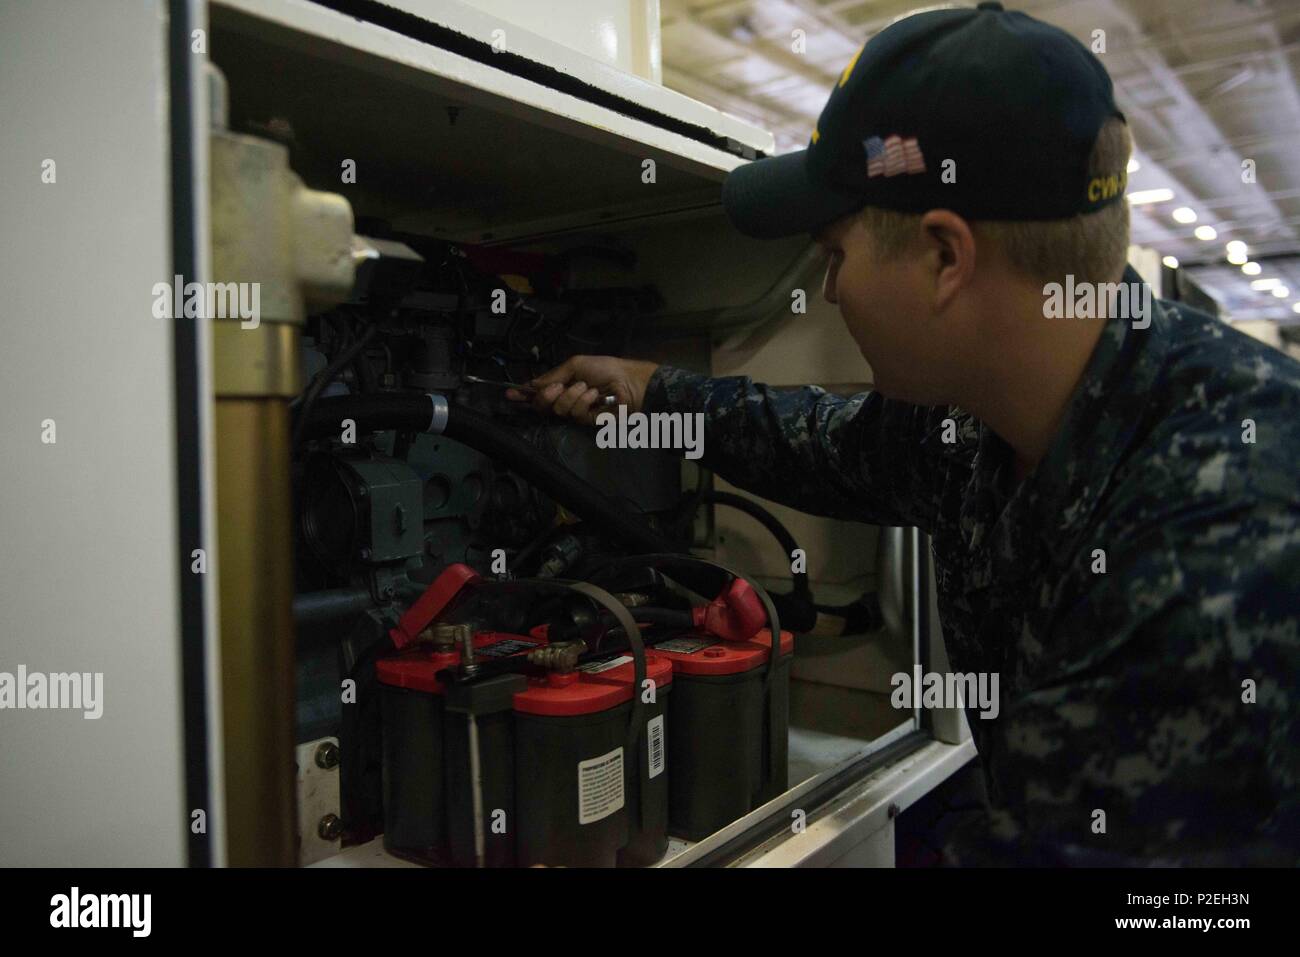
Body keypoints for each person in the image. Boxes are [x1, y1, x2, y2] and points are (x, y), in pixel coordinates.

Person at [509, 2, 1300, 864]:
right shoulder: (991, 412)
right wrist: (651, 389)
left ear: (944, 258)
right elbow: (824, 444)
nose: (833, 291)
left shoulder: (1215, 533)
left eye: (836, 255)